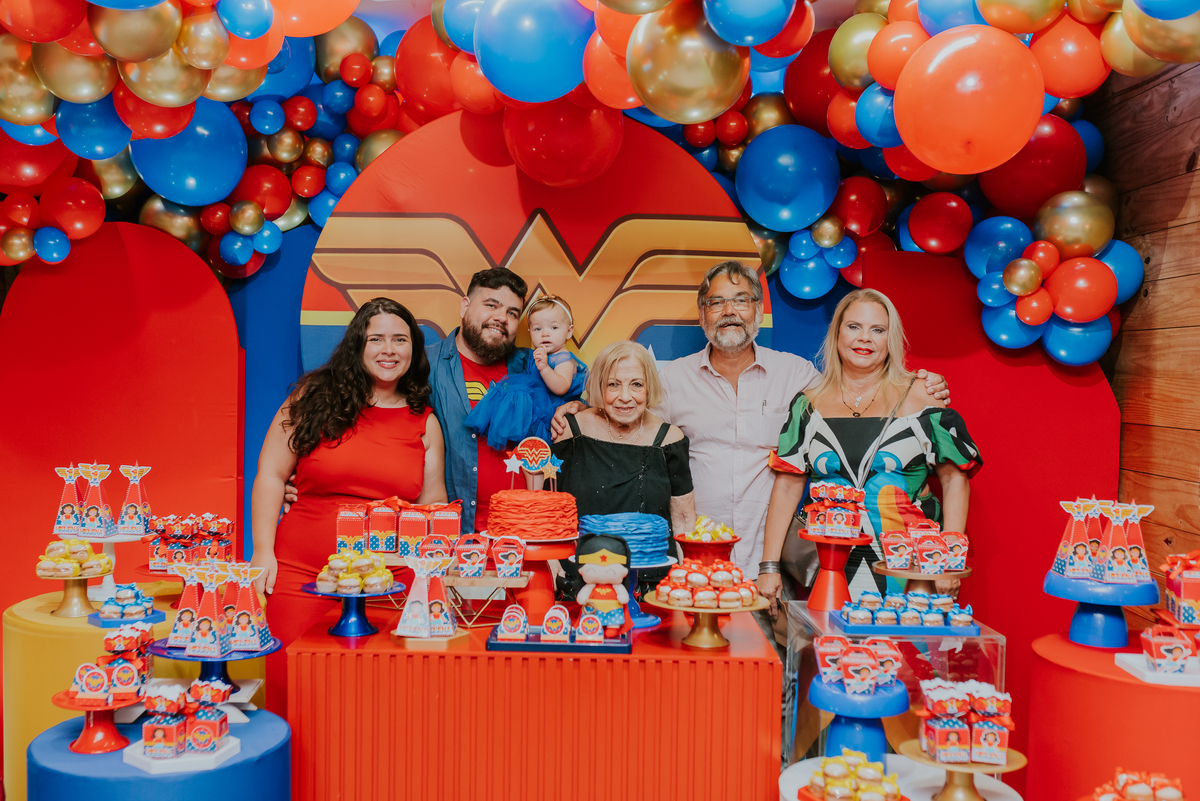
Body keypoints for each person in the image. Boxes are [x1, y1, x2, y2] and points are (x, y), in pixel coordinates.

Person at [554, 261, 949, 585]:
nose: (730, 311)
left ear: (759, 311)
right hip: (692, 563)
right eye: (717, 302)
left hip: (771, 562)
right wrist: (575, 409)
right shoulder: (670, 380)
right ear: (702, 314)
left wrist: (917, 384)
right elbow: (622, 406)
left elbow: (856, 392)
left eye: (742, 300)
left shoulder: (798, 377)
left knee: (766, 671)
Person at [249, 298, 446, 716]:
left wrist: (427, 576)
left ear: (414, 350)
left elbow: (433, 502)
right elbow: (270, 474)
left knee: (373, 702)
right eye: (376, 339)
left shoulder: (424, 421)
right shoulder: (312, 398)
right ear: (358, 345)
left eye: (400, 339)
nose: (388, 349)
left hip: (388, 582)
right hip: (301, 576)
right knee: (294, 688)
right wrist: (262, 551)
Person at [758, 288, 981, 618]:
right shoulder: (807, 404)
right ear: (837, 334)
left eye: (878, 330)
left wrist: (949, 556)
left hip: (911, 566)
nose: (865, 338)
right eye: (854, 327)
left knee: (906, 662)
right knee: (839, 662)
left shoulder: (922, 395)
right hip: (831, 567)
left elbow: (955, 481)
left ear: (892, 339)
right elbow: (788, 484)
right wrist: (769, 565)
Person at [553, 341, 696, 534]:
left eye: (636, 384)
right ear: (600, 386)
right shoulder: (571, 430)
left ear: (649, 387)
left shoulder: (670, 440)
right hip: (582, 562)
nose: (625, 396)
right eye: (614, 384)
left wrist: (686, 565)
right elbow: (551, 512)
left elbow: (683, 520)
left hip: (652, 560)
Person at [465, 294, 588, 450]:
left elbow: (561, 386)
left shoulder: (563, 358)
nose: (545, 333)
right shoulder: (535, 355)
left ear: (569, 332)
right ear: (530, 332)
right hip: (536, 410)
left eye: (554, 327)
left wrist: (544, 368)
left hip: (550, 412)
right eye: (538, 328)